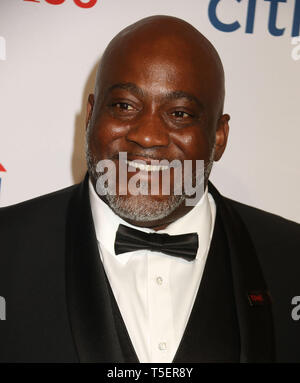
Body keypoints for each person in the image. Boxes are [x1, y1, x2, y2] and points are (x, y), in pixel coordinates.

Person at [0, 15, 299, 363]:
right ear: (92, 115)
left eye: (180, 114)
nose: (147, 135)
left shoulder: (291, 258)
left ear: (219, 137)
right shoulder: (7, 248)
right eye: (124, 106)